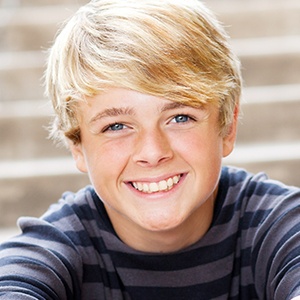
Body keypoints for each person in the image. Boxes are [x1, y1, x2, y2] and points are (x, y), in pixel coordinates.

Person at [0, 0, 300, 299]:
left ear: (227, 126)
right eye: (116, 126)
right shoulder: (49, 251)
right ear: (76, 144)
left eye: (180, 117)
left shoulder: (280, 225)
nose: (153, 152)